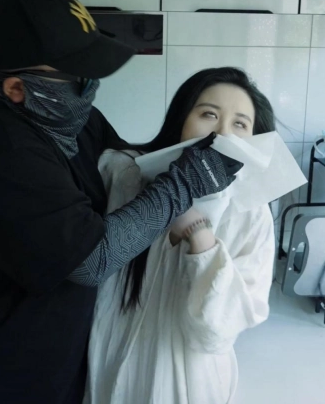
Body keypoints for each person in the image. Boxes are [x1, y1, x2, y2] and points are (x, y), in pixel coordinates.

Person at [0, 0, 242, 404]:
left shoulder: (73, 120)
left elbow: (126, 172)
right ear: (17, 89)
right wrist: (185, 183)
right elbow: (90, 260)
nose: (91, 88)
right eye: (78, 78)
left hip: (40, 377)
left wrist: (195, 151)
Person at [85, 67, 278, 404]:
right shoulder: (123, 174)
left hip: (184, 384)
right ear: (181, 119)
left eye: (239, 124)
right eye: (209, 114)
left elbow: (215, 334)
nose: (221, 133)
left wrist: (198, 234)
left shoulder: (250, 214)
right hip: (109, 365)